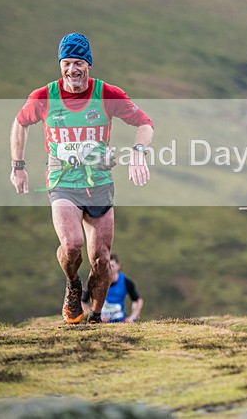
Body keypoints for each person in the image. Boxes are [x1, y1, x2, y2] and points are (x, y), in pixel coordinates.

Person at [10, 32, 154, 324]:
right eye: (66, 63)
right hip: (62, 183)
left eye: (78, 63)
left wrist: (138, 152)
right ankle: (73, 284)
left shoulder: (108, 94)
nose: (72, 70)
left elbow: (145, 123)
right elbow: (20, 123)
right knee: (72, 245)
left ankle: (96, 318)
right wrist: (18, 165)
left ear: (89, 65)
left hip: (100, 184)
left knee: (101, 259)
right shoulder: (44, 97)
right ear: (60, 65)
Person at [81, 254, 143, 322]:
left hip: (120, 323)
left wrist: (133, 317)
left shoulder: (126, 282)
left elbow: (138, 301)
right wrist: (92, 316)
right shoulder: (95, 282)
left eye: (112, 266)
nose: (109, 269)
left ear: (118, 266)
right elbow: (83, 302)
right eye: (107, 266)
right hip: (101, 323)